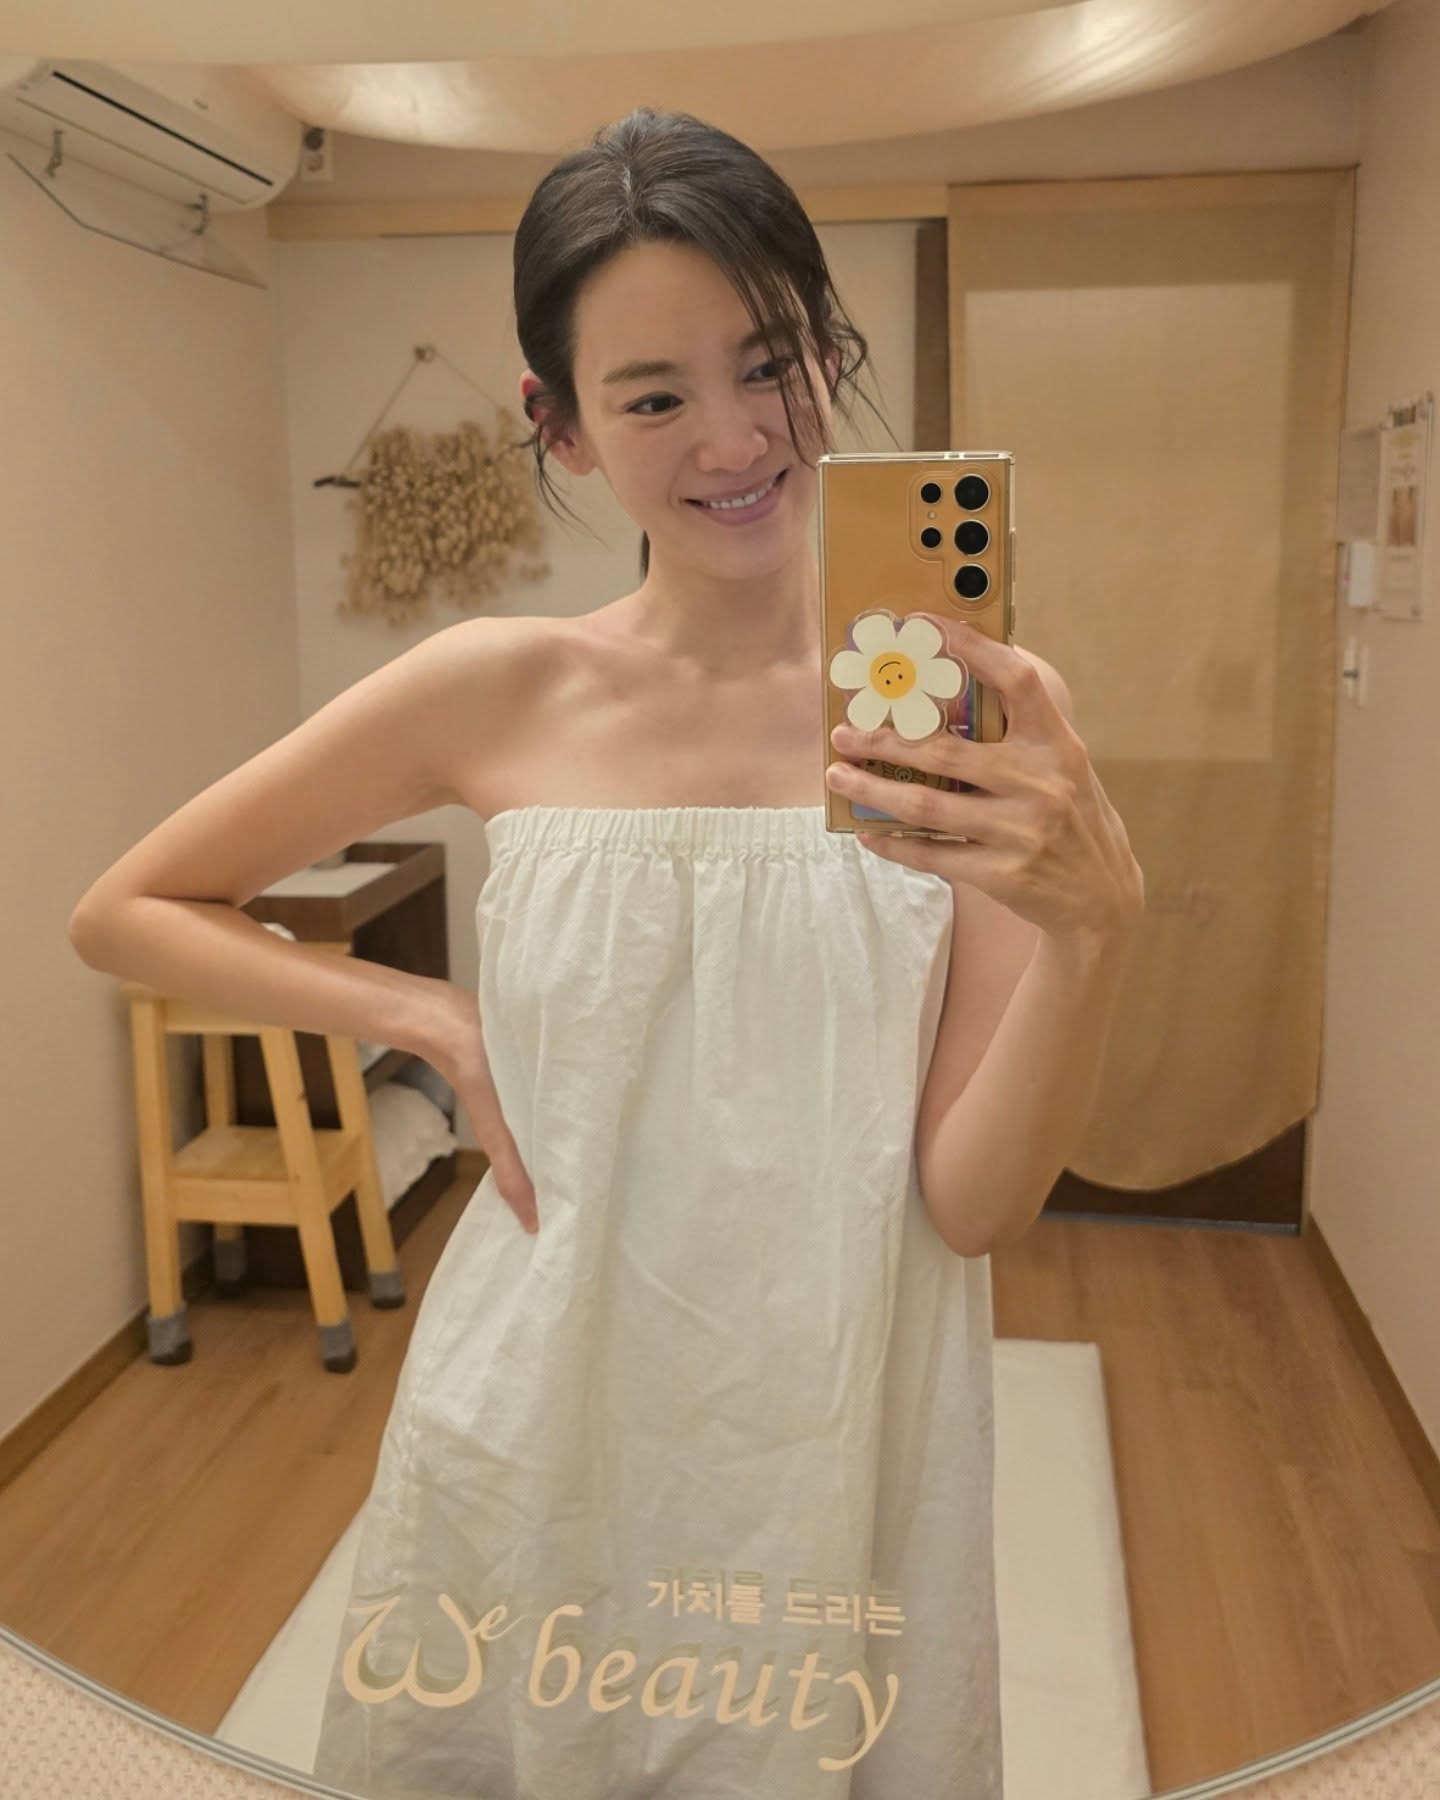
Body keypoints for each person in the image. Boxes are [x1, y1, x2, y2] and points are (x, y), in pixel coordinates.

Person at [71, 106, 1143, 1800]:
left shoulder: (954, 708)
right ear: (559, 426)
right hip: (540, 1412)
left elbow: (972, 1206)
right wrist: (429, 1014)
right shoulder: (496, 688)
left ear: (828, 352)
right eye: (652, 397)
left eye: (769, 361)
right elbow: (129, 907)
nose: (735, 435)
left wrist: (1097, 934)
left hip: (837, 1413)